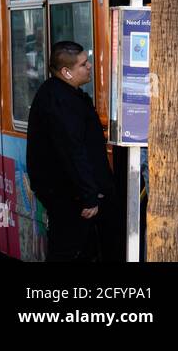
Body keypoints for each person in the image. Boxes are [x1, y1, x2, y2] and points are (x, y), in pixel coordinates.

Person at [26, 41, 115, 261]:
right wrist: (89, 196)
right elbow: (72, 150)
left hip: (70, 194)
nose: (90, 66)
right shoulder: (60, 100)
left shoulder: (62, 94)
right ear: (66, 72)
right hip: (69, 197)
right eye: (84, 64)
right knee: (69, 252)